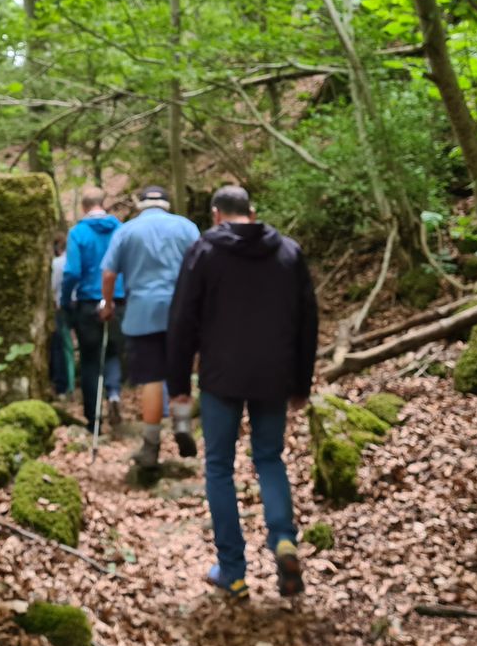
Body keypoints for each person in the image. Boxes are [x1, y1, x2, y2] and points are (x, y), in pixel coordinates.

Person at [167, 185, 318, 602]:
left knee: (219, 466)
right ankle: (284, 539)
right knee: (269, 457)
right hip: (274, 376)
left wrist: (178, 385)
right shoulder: (288, 252)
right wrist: (301, 382)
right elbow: (308, 320)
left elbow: (182, 320)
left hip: (221, 377)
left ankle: (232, 572)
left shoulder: (204, 252)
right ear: (252, 212)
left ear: (216, 215)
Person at [99, 184, 201, 470]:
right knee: (180, 372)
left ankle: (151, 444)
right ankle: (182, 425)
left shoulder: (126, 231)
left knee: (152, 379)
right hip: (181, 312)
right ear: (167, 204)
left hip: (141, 313)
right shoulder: (187, 228)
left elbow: (109, 273)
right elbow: (202, 267)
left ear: (140, 204)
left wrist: (107, 305)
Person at [61, 187, 125, 434]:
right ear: (103, 204)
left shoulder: (78, 232)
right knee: (112, 353)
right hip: (117, 301)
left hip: (88, 303)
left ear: (84, 207)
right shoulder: (120, 229)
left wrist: (66, 299)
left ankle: (93, 419)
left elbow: (71, 272)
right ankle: (114, 394)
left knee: (89, 360)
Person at [47, 236, 74, 396]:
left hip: (62, 305)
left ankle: (65, 385)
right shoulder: (76, 260)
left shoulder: (57, 263)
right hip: (81, 303)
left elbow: (54, 286)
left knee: (63, 346)